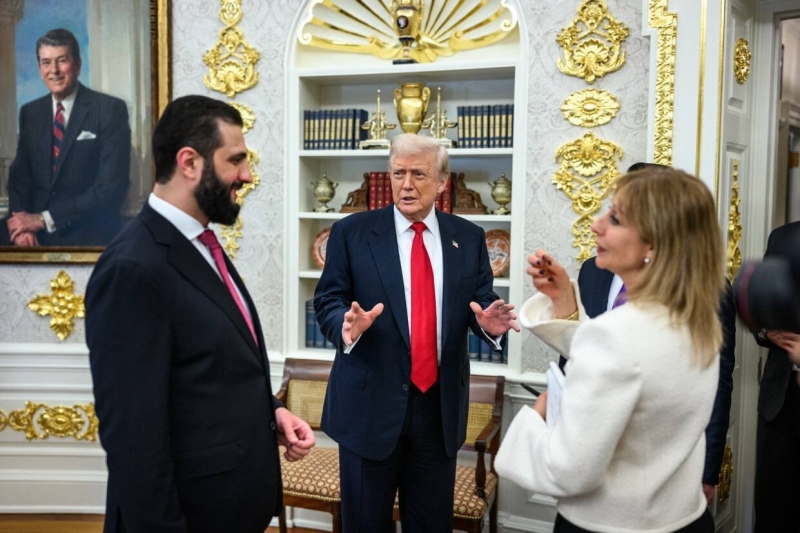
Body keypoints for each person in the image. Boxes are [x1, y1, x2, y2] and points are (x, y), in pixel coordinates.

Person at [85, 95, 315, 533]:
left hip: (229, 507)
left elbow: (208, 369)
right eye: (236, 160)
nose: (247, 175)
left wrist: (271, 412)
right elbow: (134, 438)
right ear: (189, 162)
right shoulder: (131, 269)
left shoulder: (201, 244)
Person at [497, 168, 723, 532]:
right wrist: (566, 303)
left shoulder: (616, 335)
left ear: (653, 244)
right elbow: (629, 361)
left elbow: (569, 471)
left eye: (615, 219)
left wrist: (536, 417)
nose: (596, 224)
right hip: (683, 519)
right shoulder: (697, 321)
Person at [313, 133, 519, 532]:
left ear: (442, 182)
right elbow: (328, 301)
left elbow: (480, 302)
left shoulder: (468, 237)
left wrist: (488, 325)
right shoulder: (352, 233)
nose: (406, 184)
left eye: (419, 174)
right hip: (368, 407)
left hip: (438, 411)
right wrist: (345, 325)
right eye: (398, 173)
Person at [573, 162, 736, 506]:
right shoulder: (591, 271)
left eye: (617, 218)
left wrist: (708, 471)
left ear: (654, 232)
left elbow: (717, 382)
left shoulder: (708, 291)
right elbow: (582, 353)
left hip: (666, 478)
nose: (597, 225)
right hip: (590, 463)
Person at [3, 28, 130, 246]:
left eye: (62, 61)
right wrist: (21, 225)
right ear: (40, 69)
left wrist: (43, 220)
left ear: (77, 65)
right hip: (32, 234)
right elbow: (19, 178)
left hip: (87, 232)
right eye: (46, 63)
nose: (54, 71)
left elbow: (109, 189)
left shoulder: (109, 110)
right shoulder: (30, 112)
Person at [751, 220, 800, 532]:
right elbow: (760, 309)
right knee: (774, 510)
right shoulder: (782, 238)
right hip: (781, 403)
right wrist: (766, 331)